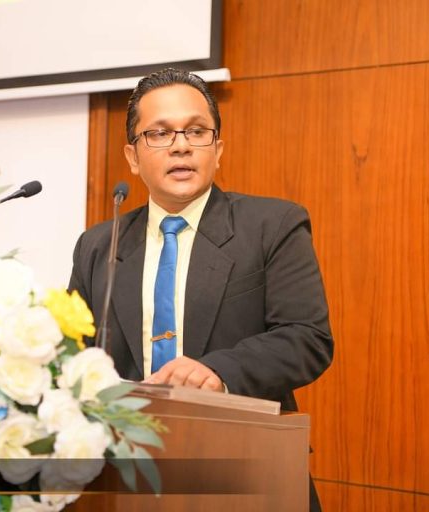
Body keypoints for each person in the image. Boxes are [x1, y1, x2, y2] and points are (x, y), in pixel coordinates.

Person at [68, 68, 333, 509]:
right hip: (125, 473)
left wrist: (218, 372)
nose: (181, 145)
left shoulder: (272, 226)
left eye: (196, 131)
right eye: (160, 133)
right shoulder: (99, 245)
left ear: (218, 149)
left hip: (245, 468)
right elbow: (73, 355)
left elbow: (307, 338)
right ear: (132, 156)